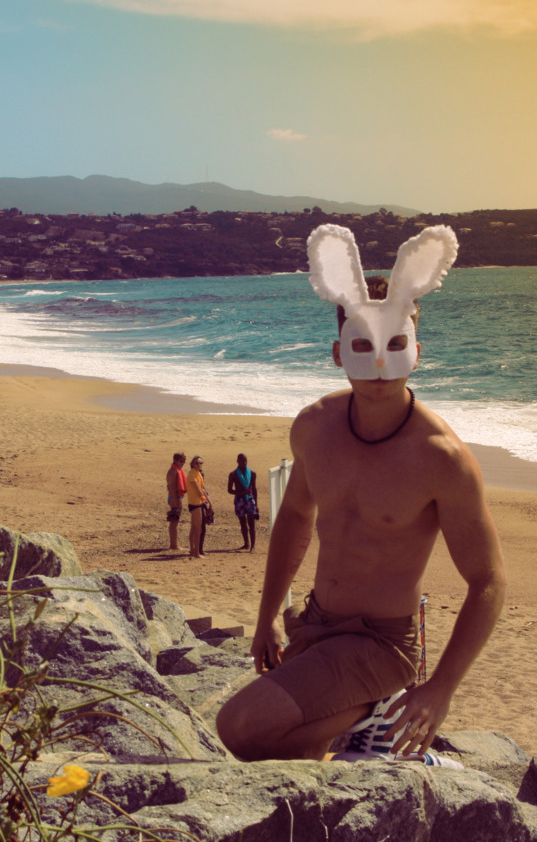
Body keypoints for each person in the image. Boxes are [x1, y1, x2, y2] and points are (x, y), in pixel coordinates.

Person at [215, 224, 505, 766]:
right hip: (316, 625)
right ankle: (366, 723)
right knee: (275, 758)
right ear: (337, 351)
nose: (378, 362)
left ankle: (376, 710)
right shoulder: (315, 428)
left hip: (381, 643)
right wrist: (269, 615)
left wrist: (440, 689)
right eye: (363, 345)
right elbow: (297, 516)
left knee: (238, 727)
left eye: (396, 344)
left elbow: (488, 581)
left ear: (416, 350)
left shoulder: (442, 458)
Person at [228, 453, 260, 551]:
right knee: (242, 523)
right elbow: (229, 490)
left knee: (251, 523)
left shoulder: (252, 473)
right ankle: (246, 544)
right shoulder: (233, 474)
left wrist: (256, 505)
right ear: (237, 462)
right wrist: (241, 492)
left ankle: (253, 546)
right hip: (239, 500)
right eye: (242, 461)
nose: (244, 463)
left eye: (245, 461)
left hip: (249, 500)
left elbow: (254, 489)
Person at [186, 456, 210, 559]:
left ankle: (192, 550)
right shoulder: (191, 475)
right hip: (195, 504)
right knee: (198, 530)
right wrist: (206, 501)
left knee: (193, 528)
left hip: (198, 503)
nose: (199, 465)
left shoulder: (198, 473)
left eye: (201, 463)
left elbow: (202, 489)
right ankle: (196, 553)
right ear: (192, 464)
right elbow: (198, 491)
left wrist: (209, 501)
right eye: (197, 463)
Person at [166, 452, 187, 551]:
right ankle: (173, 545)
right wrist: (174, 499)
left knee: (175, 520)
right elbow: (171, 487)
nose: (182, 463)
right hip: (175, 498)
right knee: (174, 521)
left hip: (177, 497)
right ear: (175, 460)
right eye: (180, 461)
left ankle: (173, 544)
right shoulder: (173, 471)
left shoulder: (177, 470)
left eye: (183, 461)